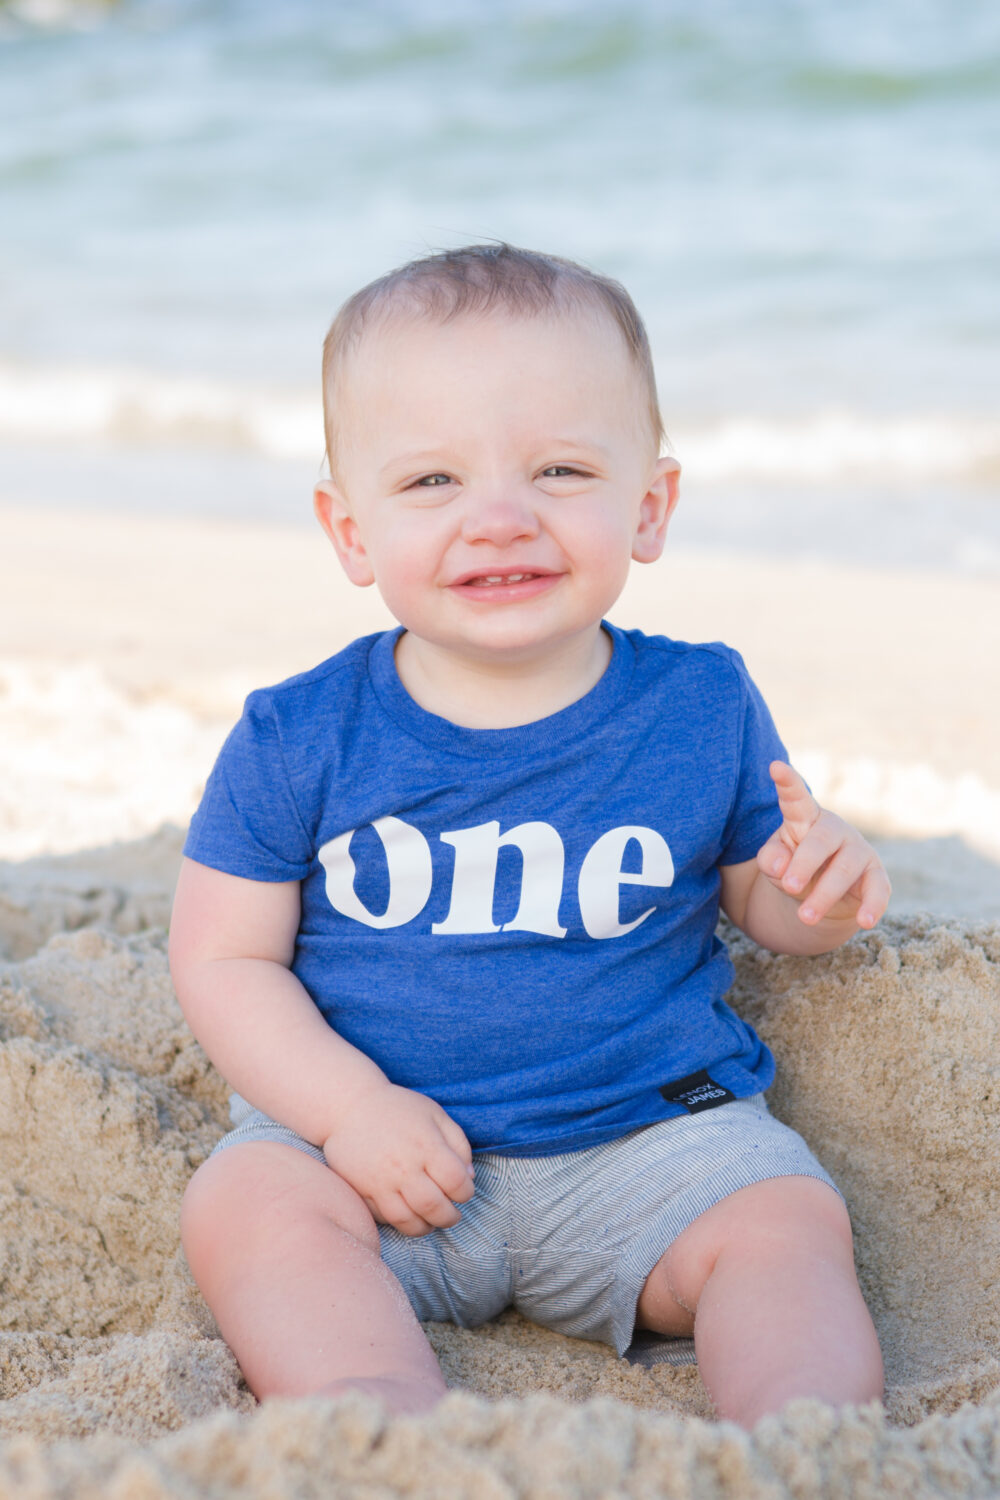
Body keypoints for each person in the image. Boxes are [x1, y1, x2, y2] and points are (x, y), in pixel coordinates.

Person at [169, 243, 888, 1428]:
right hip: (371, 1158)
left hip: (648, 1148)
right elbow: (223, 958)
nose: (498, 520)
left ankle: (799, 1440)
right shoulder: (298, 734)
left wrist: (815, 896)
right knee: (243, 1205)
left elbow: (765, 901)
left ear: (646, 506)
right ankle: (380, 1422)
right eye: (430, 484)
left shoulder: (700, 704)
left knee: (784, 1220)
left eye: (558, 470)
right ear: (349, 531)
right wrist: (347, 1110)